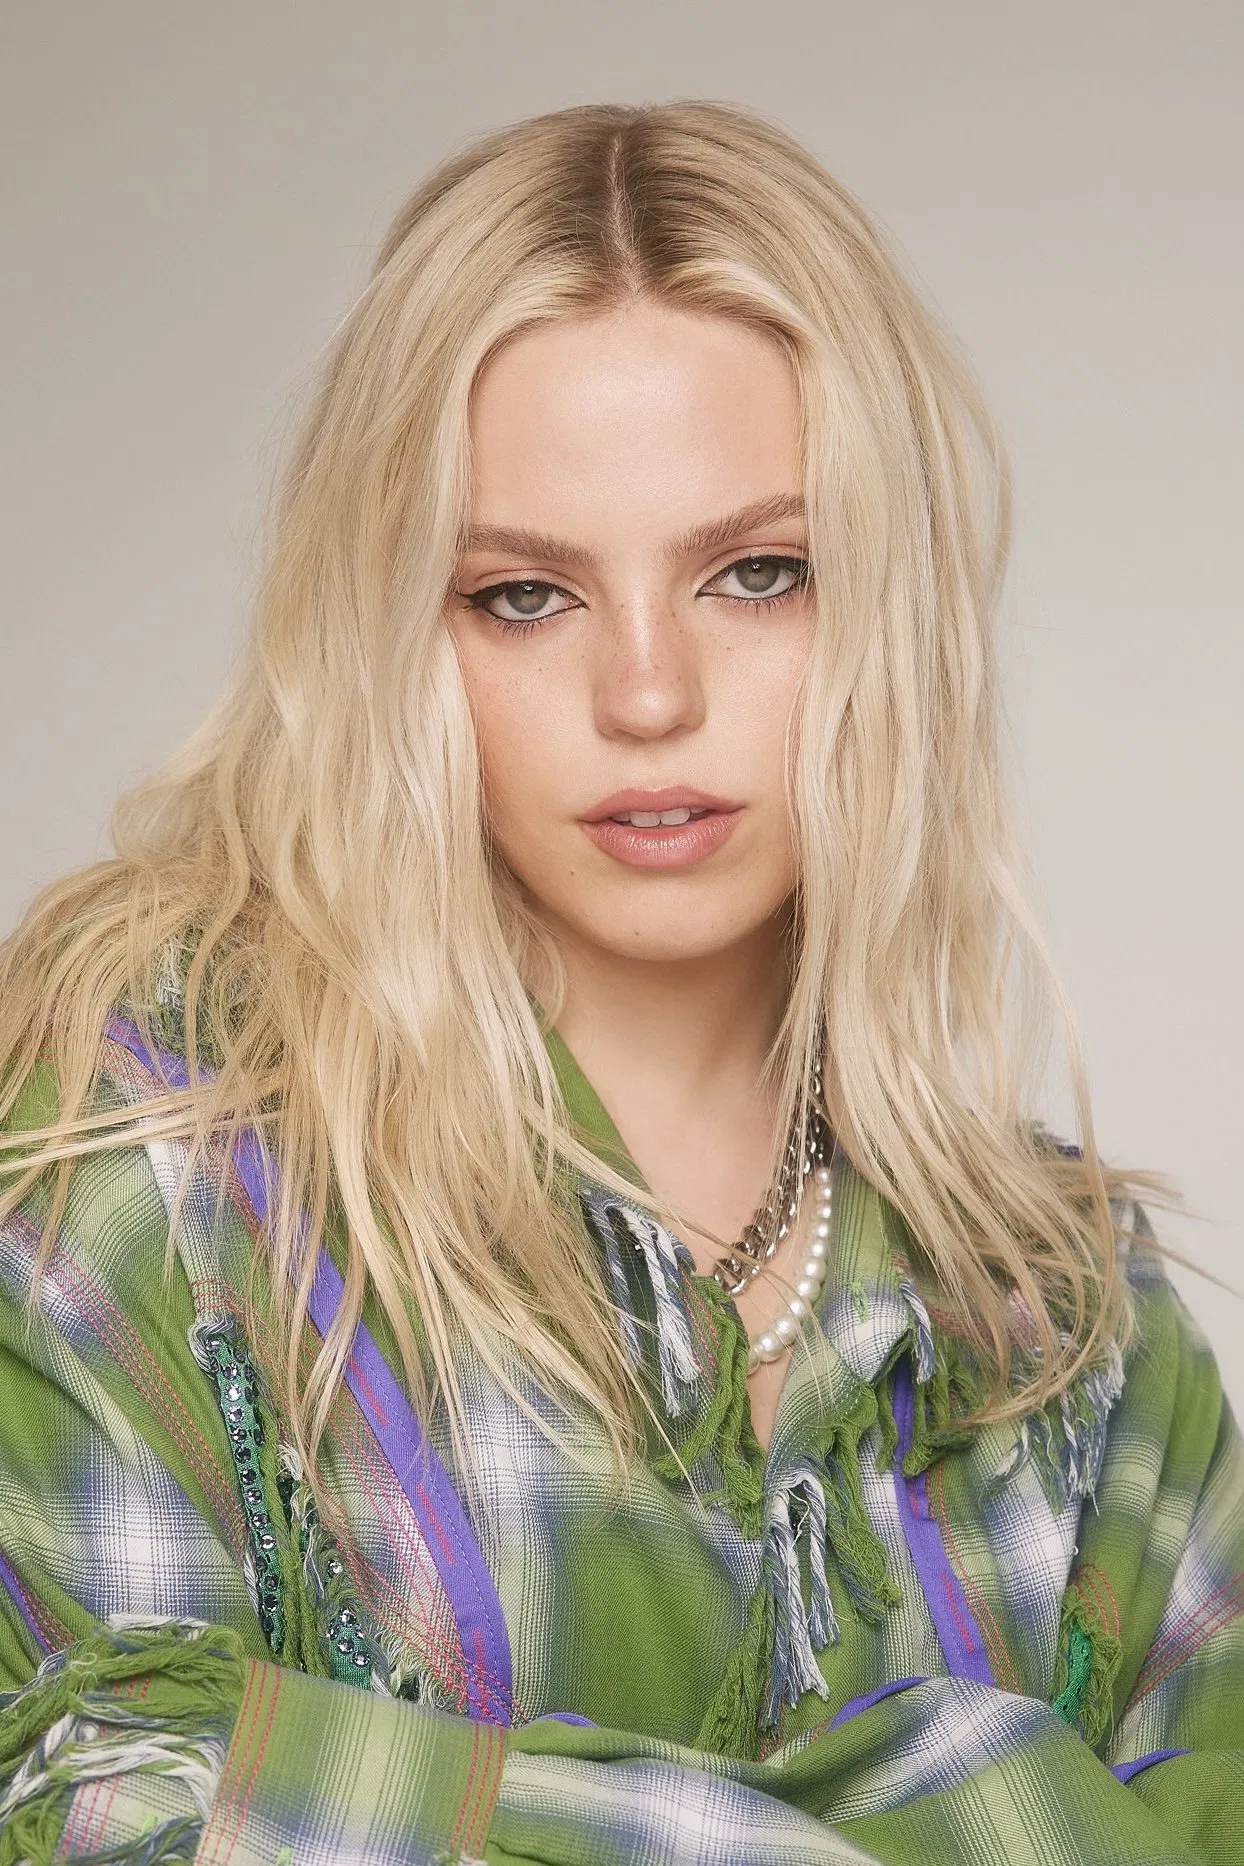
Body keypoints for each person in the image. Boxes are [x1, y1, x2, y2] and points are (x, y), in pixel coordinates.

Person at [0, 100, 1239, 1866]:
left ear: (886, 606)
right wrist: (992, 1808)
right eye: (525, 594)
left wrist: (414, 1802)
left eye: (759, 573)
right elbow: (82, 1806)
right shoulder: (159, 1171)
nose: (648, 693)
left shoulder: (1071, 1330)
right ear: (394, 626)